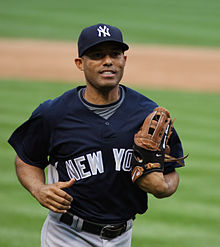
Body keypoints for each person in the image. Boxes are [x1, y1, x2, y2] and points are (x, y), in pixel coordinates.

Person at [8, 23, 185, 247]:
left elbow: (171, 173)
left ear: (124, 60)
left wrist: (164, 188)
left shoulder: (147, 113)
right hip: (66, 236)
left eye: (115, 54)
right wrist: (38, 189)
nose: (108, 61)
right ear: (80, 64)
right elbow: (26, 159)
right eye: (97, 55)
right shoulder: (54, 114)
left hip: (122, 237)